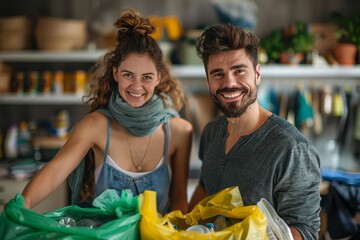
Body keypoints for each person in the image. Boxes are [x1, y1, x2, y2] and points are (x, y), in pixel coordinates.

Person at [20, 8, 193, 214]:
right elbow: (56, 170)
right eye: (128, 75)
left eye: (146, 77)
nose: (137, 87)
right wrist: (23, 204)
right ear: (115, 73)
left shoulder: (180, 132)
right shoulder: (95, 125)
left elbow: (180, 200)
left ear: (158, 78)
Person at [188, 23, 321, 240]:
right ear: (209, 82)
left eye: (239, 71)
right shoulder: (212, 132)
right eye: (218, 74)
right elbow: (206, 186)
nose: (229, 83)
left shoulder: (291, 148)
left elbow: (305, 232)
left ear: (257, 74)